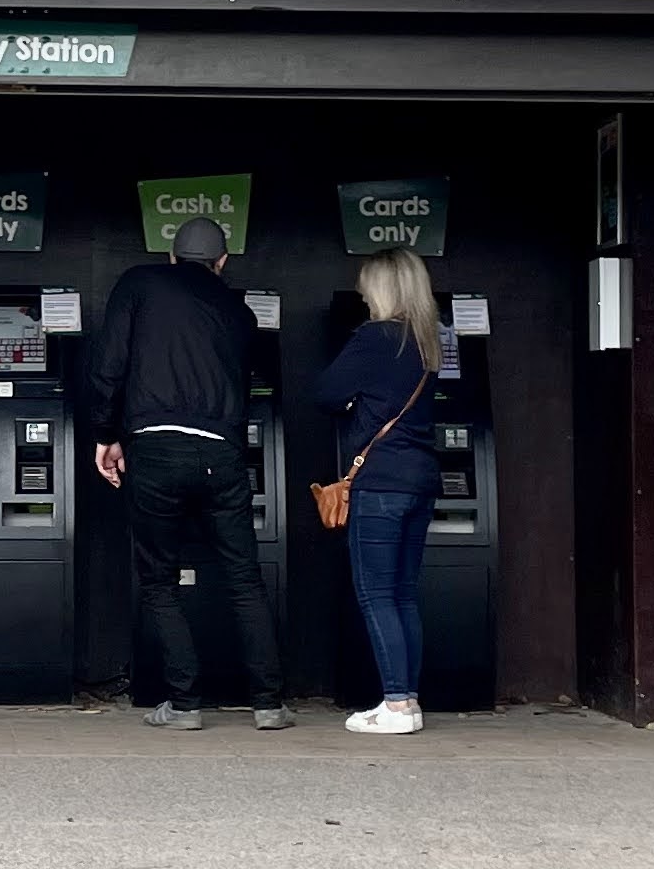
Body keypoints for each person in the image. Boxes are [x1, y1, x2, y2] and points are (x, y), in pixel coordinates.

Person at [77, 213, 289, 732]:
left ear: (172, 256)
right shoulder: (239, 312)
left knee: (159, 580)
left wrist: (106, 435)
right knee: (244, 578)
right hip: (223, 452)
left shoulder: (139, 283)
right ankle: (269, 704)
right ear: (222, 262)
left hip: (154, 448)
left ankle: (185, 704)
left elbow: (109, 364)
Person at [315, 247, 444, 736]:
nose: (364, 293)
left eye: (368, 284)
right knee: (404, 595)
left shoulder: (374, 338)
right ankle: (406, 700)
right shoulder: (427, 343)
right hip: (421, 480)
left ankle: (394, 704)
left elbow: (325, 393)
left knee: (375, 594)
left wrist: (352, 401)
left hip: (380, 482)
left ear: (384, 288)